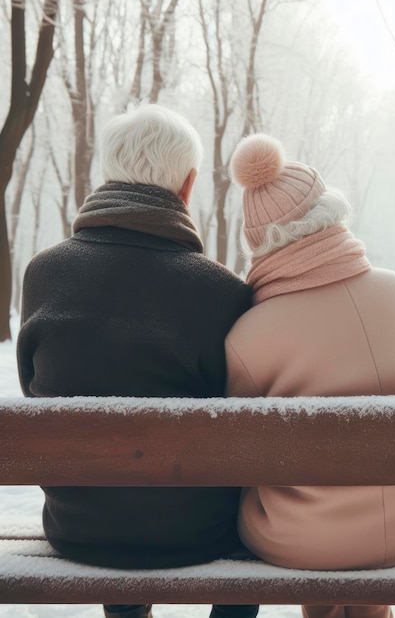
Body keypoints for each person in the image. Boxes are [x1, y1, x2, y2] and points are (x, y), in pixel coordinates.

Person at [17, 104, 258, 618]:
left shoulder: (44, 273)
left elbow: (35, 391)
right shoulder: (221, 292)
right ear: (188, 186)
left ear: (108, 174)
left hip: (80, 529)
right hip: (198, 533)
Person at [226, 133, 395, 618]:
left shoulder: (248, 333)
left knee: (294, 509)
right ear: (329, 211)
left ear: (260, 243)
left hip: (307, 539)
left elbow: (236, 445)